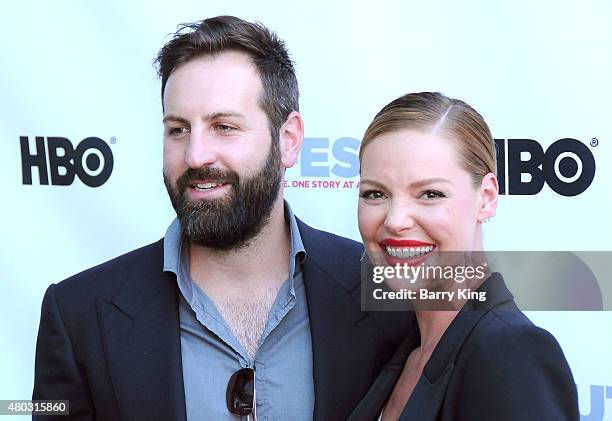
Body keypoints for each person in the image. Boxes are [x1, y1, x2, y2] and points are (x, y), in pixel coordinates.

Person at [32, 16, 413, 421]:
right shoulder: (78, 313)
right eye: (178, 130)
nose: (195, 155)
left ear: (289, 140)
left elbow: (480, 301)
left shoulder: (389, 288)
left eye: (224, 126)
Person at [349, 92, 579, 420]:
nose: (395, 220)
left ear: (486, 198)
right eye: (375, 193)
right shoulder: (404, 352)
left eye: (430, 194)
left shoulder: (512, 355)